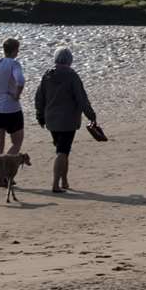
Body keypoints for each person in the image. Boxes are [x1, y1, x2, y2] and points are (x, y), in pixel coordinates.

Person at [33, 47, 99, 193]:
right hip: (68, 121)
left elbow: (39, 97)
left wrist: (40, 115)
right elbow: (81, 99)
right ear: (70, 60)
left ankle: (64, 181)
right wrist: (91, 115)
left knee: (63, 150)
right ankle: (55, 184)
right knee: (62, 151)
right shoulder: (72, 76)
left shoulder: (47, 75)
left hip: (51, 120)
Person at [0, 37, 27, 159]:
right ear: (13, 51)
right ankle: (5, 166)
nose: (18, 53)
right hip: (11, 109)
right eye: (17, 50)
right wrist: (16, 95)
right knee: (17, 142)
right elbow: (20, 81)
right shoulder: (14, 64)